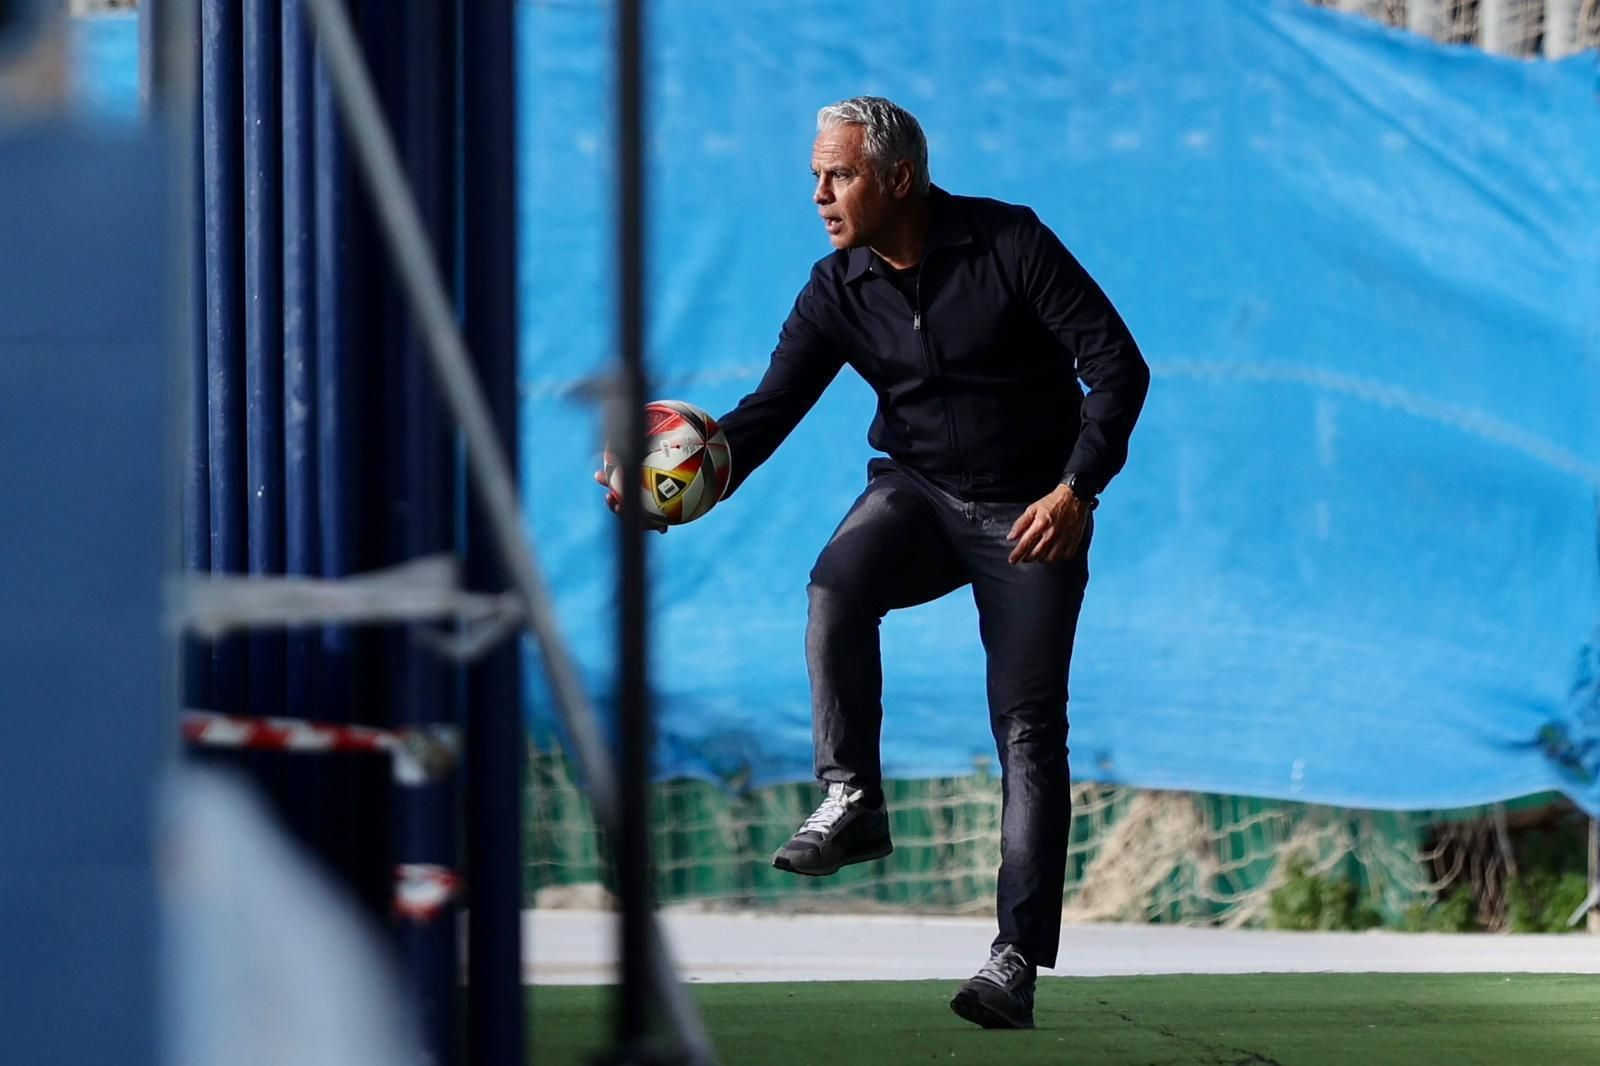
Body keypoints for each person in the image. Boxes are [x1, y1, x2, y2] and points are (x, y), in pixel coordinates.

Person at [598, 96, 1148, 1030]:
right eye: (815, 174)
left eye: (838, 173)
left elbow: (1117, 366)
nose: (818, 192)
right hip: (917, 497)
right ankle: (851, 797)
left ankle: (1013, 960)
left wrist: (1076, 492)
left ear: (900, 179)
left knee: (1027, 730)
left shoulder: (1011, 243)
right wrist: (661, 485)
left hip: (1033, 516)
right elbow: (762, 416)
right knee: (836, 585)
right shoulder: (833, 289)